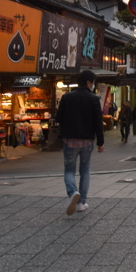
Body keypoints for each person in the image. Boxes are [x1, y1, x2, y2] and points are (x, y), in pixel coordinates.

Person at [56, 69, 105, 215]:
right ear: (88, 82)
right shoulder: (94, 99)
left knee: (69, 169)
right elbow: (98, 122)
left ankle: (72, 192)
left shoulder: (67, 97)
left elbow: (58, 118)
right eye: (93, 83)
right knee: (85, 170)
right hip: (87, 140)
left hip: (69, 140)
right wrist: (100, 142)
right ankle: (81, 202)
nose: (93, 86)